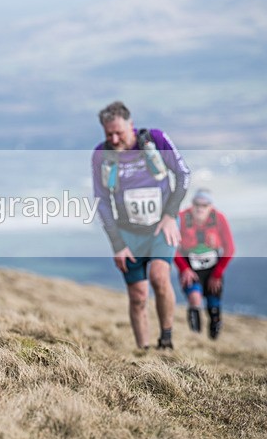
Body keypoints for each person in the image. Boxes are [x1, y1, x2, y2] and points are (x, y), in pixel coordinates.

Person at [91, 101, 191, 350]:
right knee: (137, 296)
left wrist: (170, 215)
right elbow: (102, 202)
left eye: (119, 132)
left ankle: (166, 340)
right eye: (108, 134)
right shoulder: (102, 155)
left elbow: (183, 175)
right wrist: (117, 244)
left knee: (159, 277)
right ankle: (143, 351)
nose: (114, 138)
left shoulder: (155, 140)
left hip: (160, 227)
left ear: (131, 126)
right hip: (128, 233)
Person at [174, 188, 235, 340]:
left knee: (214, 304)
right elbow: (172, 248)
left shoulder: (219, 218)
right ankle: (196, 338)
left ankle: (213, 338)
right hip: (190, 267)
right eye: (197, 204)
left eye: (205, 205)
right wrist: (184, 269)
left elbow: (229, 248)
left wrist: (217, 274)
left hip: (213, 268)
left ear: (211, 206)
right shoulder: (181, 218)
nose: (200, 208)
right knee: (195, 298)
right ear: (192, 204)